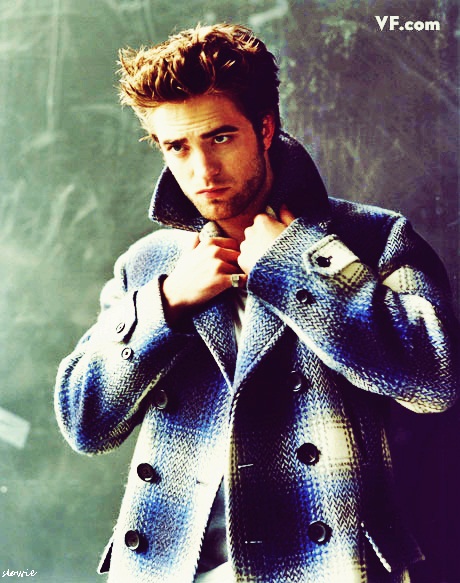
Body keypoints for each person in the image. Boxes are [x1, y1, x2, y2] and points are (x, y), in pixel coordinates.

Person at [54, 23, 458, 583]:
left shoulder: (372, 239)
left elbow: (434, 381)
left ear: (264, 128)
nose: (202, 171)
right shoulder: (150, 265)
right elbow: (85, 424)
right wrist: (166, 305)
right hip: (170, 569)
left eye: (220, 137)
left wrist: (299, 262)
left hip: (325, 567)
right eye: (177, 147)